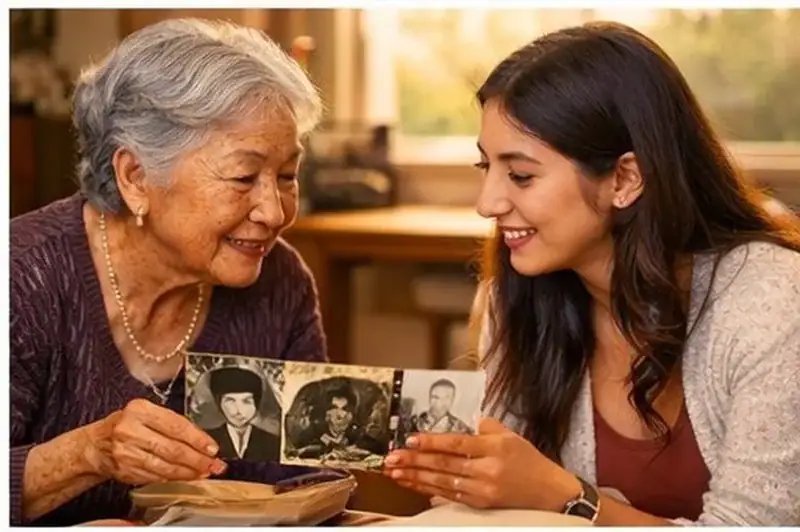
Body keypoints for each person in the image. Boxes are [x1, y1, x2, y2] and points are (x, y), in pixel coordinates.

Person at [383, 21, 800, 526]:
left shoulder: (773, 301)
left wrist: (566, 496)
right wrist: (466, 479)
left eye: (521, 175)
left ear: (626, 178)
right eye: (484, 168)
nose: (487, 203)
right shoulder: (515, 299)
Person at [10, 18, 327, 526]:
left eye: (286, 175)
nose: (274, 211)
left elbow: (299, 484)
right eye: (244, 177)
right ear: (136, 177)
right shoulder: (22, 279)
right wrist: (89, 453)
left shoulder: (279, 282)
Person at [205, 366, 280, 461]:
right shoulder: (206, 438)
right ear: (219, 403)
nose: (238, 411)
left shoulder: (273, 443)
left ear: (256, 404)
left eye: (246, 401)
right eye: (230, 401)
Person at [408, 379, 473, 435]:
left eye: (446, 397)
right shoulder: (414, 422)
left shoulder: (461, 428)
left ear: (452, 400)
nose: (440, 402)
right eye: (436, 397)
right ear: (429, 398)